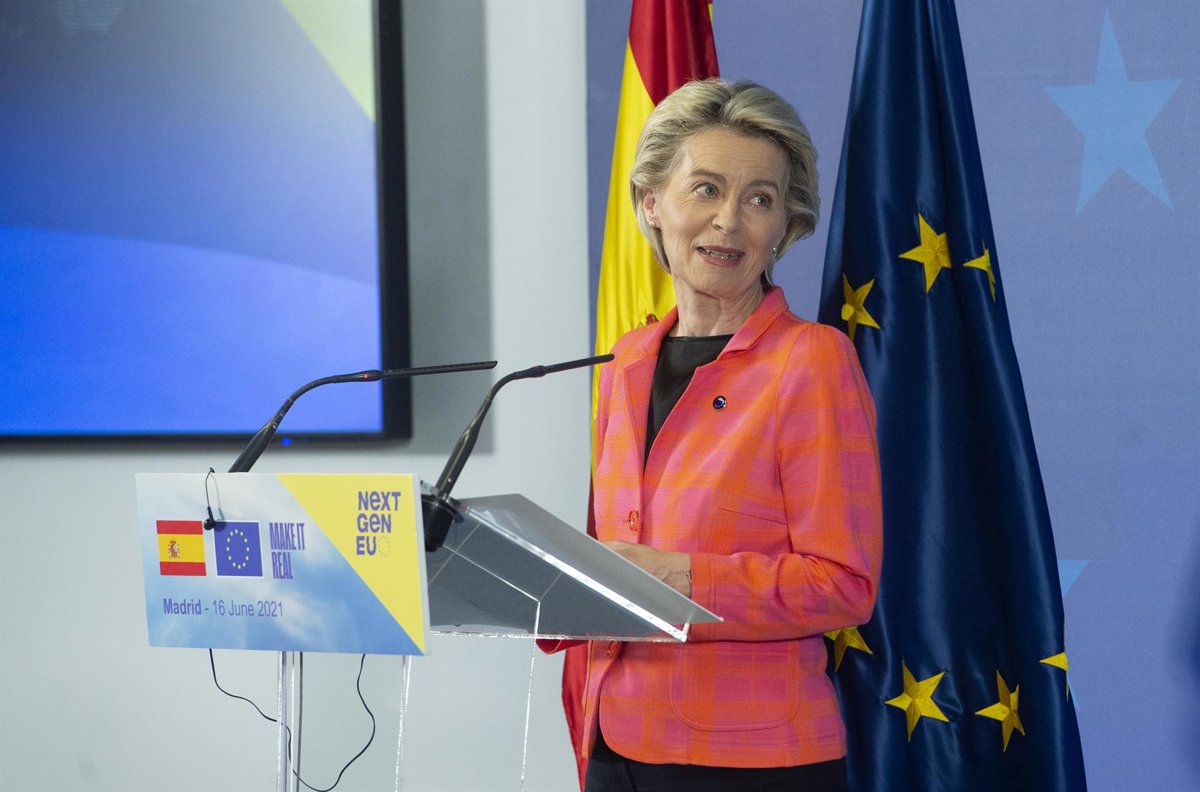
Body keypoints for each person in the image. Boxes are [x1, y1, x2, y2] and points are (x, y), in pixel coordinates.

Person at [553, 79, 883, 792]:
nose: (729, 221)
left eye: (760, 200)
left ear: (784, 227)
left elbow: (843, 584)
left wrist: (680, 579)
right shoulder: (627, 361)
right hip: (613, 741)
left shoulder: (812, 361)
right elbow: (615, 550)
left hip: (752, 761)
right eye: (705, 189)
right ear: (652, 202)